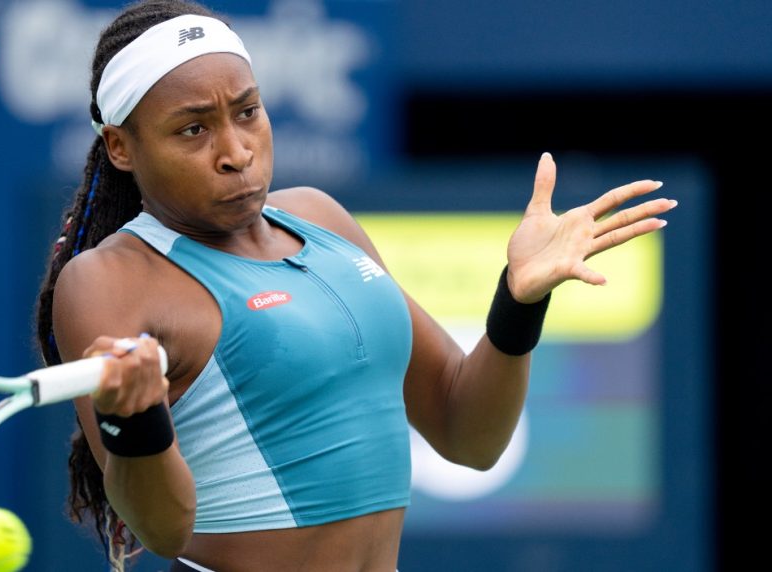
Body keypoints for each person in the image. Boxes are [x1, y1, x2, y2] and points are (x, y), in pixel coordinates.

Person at [33, 1, 676, 570]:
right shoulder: (108, 280)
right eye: (193, 129)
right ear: (120, 146)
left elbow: (467, 434)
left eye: (248, 112)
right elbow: (163, 530)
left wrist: (518, 300)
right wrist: (135, 421)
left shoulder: (322, 216)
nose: (236, 151)